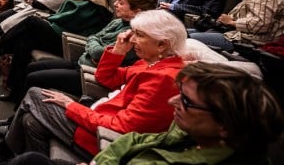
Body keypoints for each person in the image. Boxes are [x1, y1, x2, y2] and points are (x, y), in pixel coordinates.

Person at [0, 9, 188, 164]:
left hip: (102, 137)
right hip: (97, 116)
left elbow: (121, 128)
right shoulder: (150, 62)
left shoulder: (164, 78)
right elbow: (106, 78)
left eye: (139, 35)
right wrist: (117, 51)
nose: (132, 40)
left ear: (162, 44)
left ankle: (4, 151)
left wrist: (71, 106)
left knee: (34, 95)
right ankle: (15, 156)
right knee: (32, 121)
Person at [91, 62, 284, 165]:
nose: (171, 101)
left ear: (226, 125)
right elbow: (133, 140)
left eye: (185, 100)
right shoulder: (194, 133)